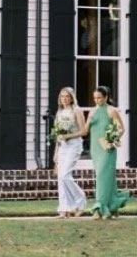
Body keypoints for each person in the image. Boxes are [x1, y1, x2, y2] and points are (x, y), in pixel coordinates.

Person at [81, 85, 130, 219]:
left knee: (102, 175)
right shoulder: (92, 112)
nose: (97, 100)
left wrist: (113, 138)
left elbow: (121, 129)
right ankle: (113, 205)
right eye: (95, 98)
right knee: (105, 177)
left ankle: (99, 208)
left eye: (99, 98)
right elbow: (85, 130)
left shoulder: (111, 111)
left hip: (108, 148)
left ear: (106, 97)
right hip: (96, 147)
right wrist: (88, 120)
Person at [52, 86, 86, 218]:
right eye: (62, 96)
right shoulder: (59, 112)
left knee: (65, 175)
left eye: (67, 96)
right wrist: (55, 155)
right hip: (62, 147)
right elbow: (57, 135)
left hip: (74, 145)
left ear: (72, 98)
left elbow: (83, 131)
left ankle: (80, 200)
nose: (64, 99)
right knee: (60, 178)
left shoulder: (76, 111)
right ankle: (63, 209)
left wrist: (68, 136)